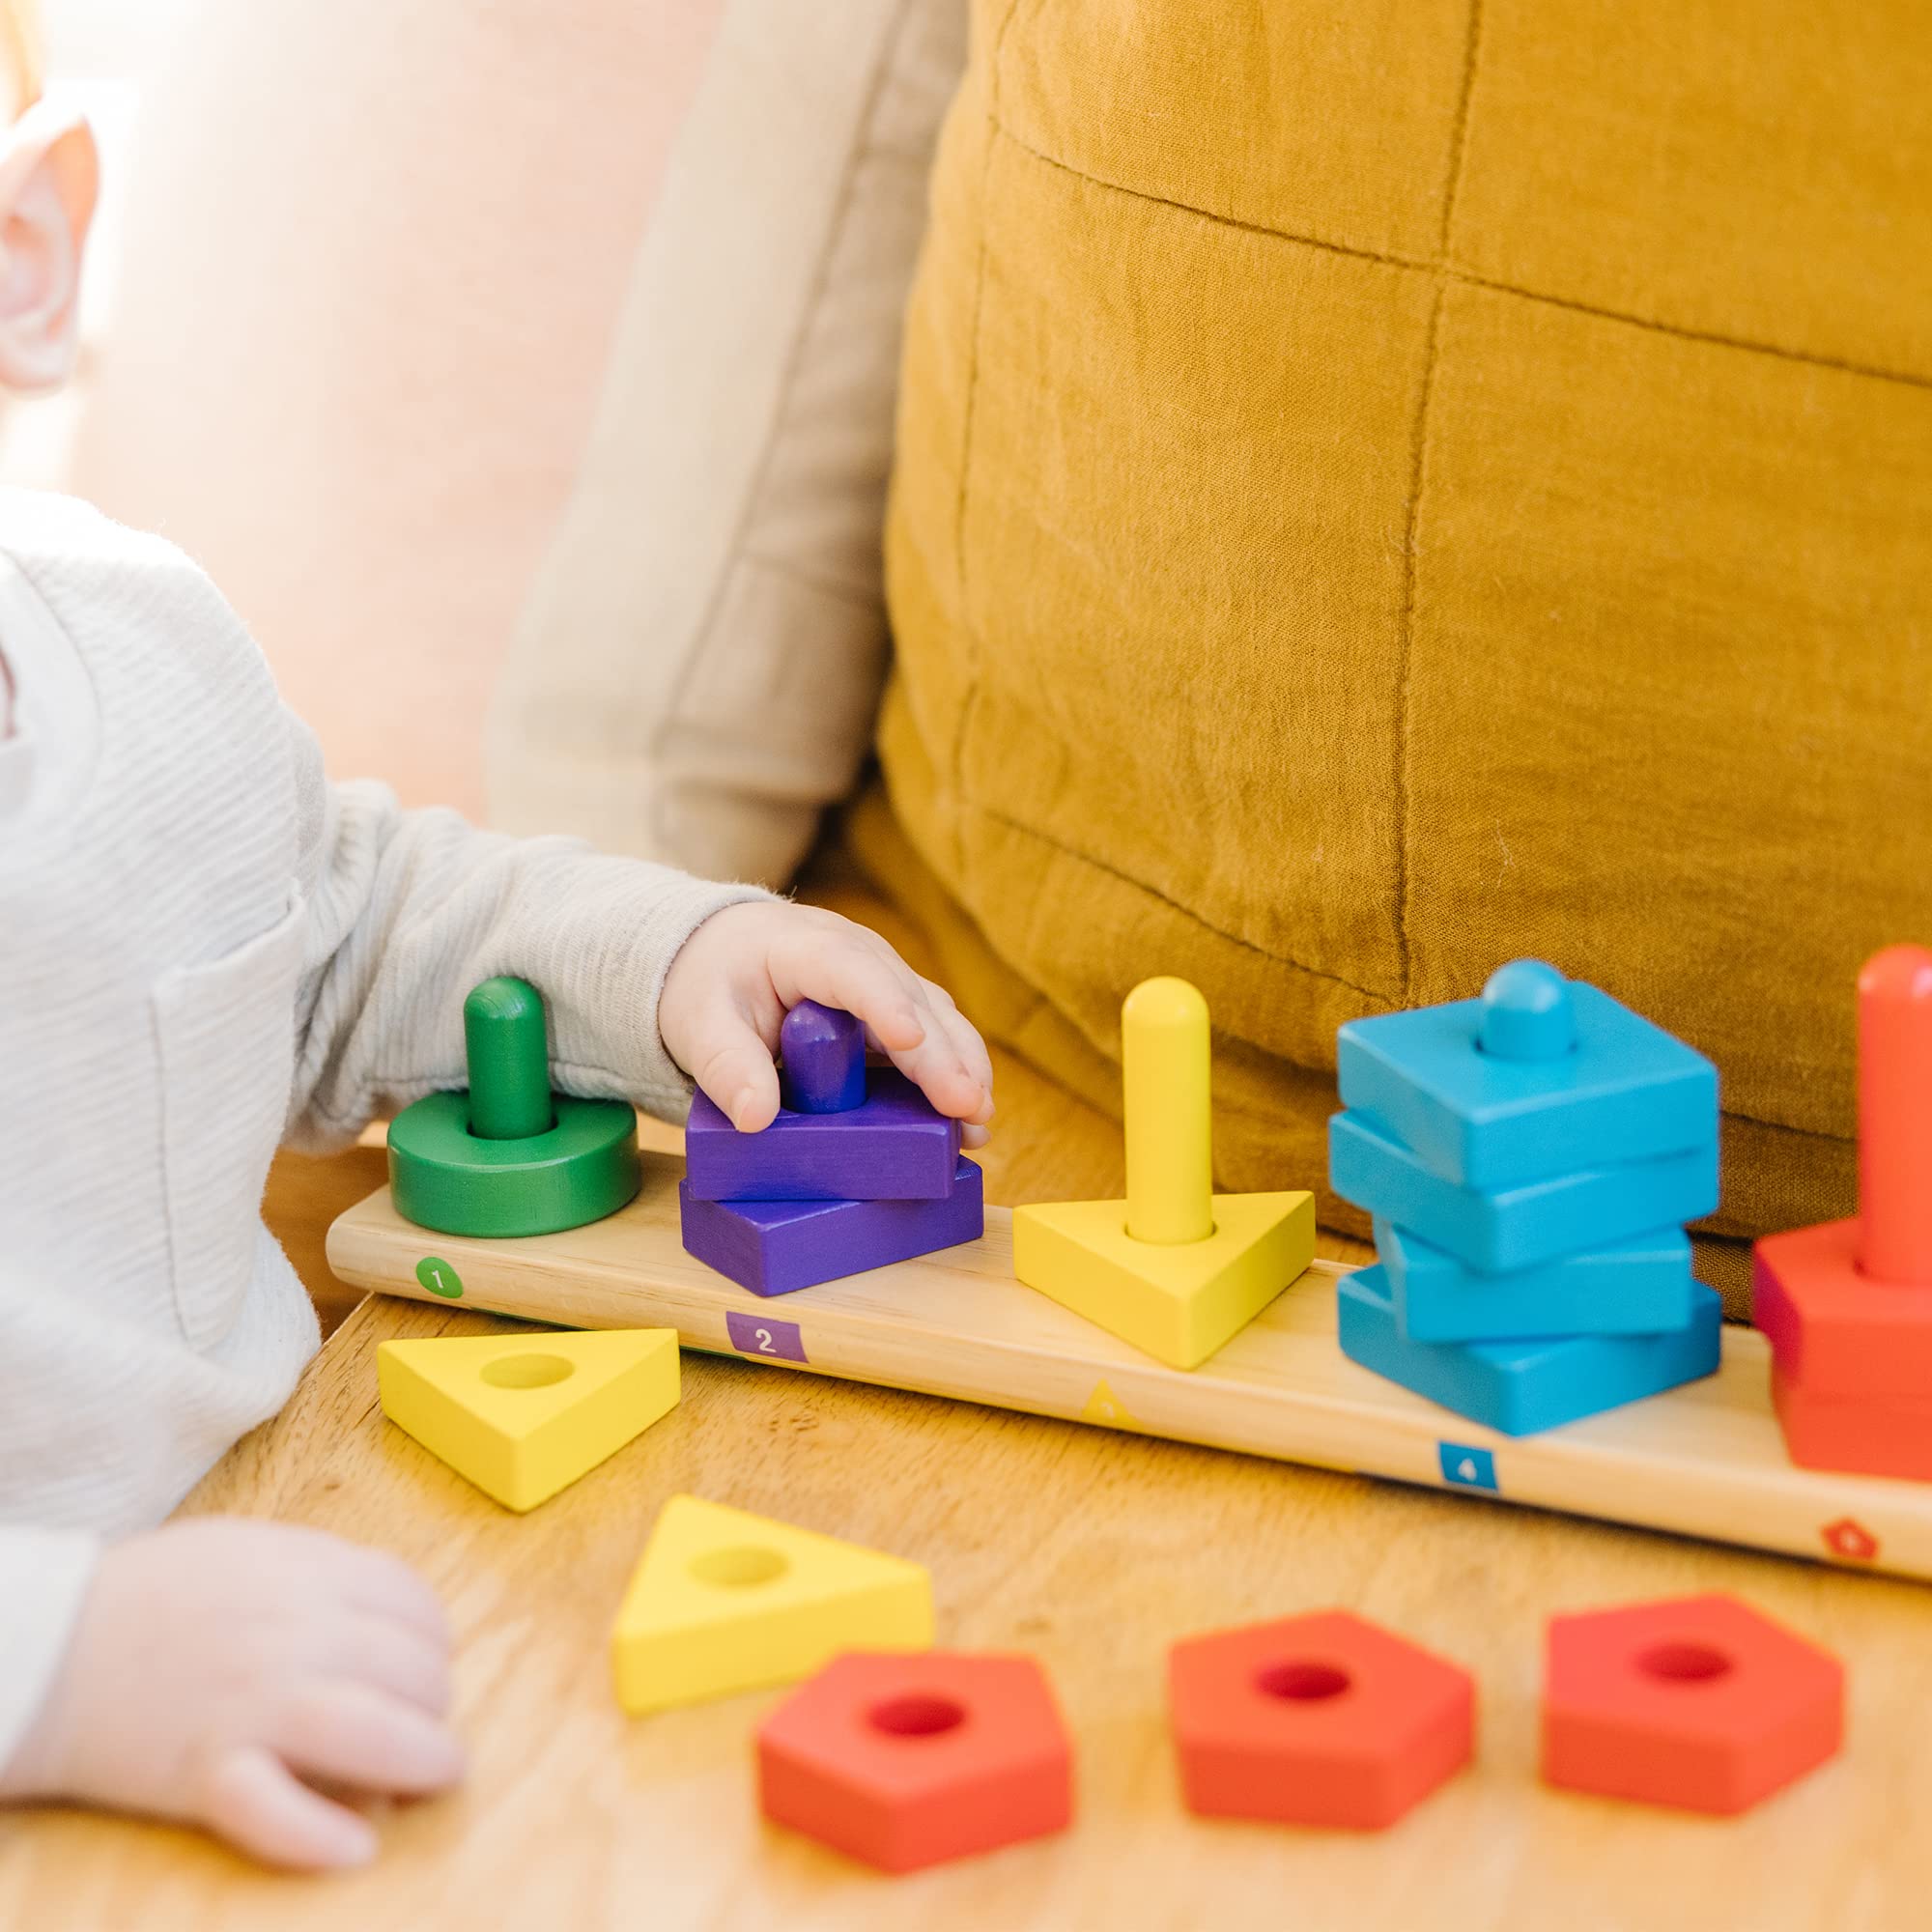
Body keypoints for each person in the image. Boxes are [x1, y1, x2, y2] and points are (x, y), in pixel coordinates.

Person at [0, 14, 992, 1873]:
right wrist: (60, 1668)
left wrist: (664, 956)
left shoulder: (138, 644)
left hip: (291, 1566)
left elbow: (344, 921)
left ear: (25, 262)